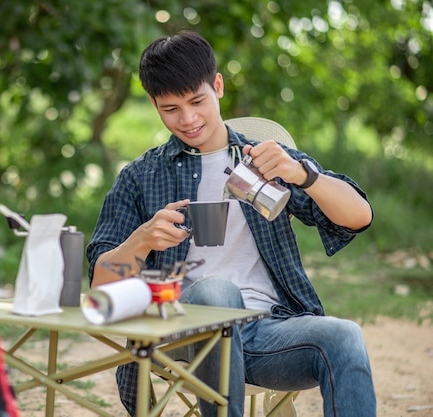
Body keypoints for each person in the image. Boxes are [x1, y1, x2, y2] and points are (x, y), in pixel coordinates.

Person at [85, 30, 376, 417]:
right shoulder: (141, 176)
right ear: (155, 105)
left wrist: (303, 175)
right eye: (170, 109)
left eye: (197, 101)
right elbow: (100, 287)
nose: (187, 119)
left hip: (268, 333)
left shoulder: (268, 160)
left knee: (344, 335)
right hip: (178, 335)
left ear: (217, 86)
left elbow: (359, 217)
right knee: (217, 293)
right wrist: (140, 241)